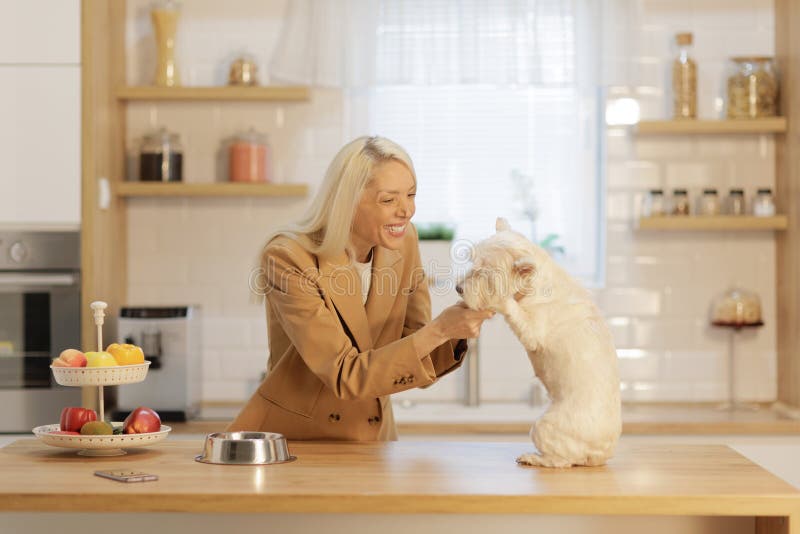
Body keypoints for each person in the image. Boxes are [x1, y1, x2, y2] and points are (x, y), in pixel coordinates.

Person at [227, 136, 493, 440]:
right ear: (348, 201)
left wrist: (462, 321)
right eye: (388, 199)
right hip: (299, 441)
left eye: (411, 194)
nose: (406, 210)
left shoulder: (404, 243)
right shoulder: (288, 257)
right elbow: (344, 374)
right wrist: (441, 330)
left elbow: (414, 349)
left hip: (373, 438)